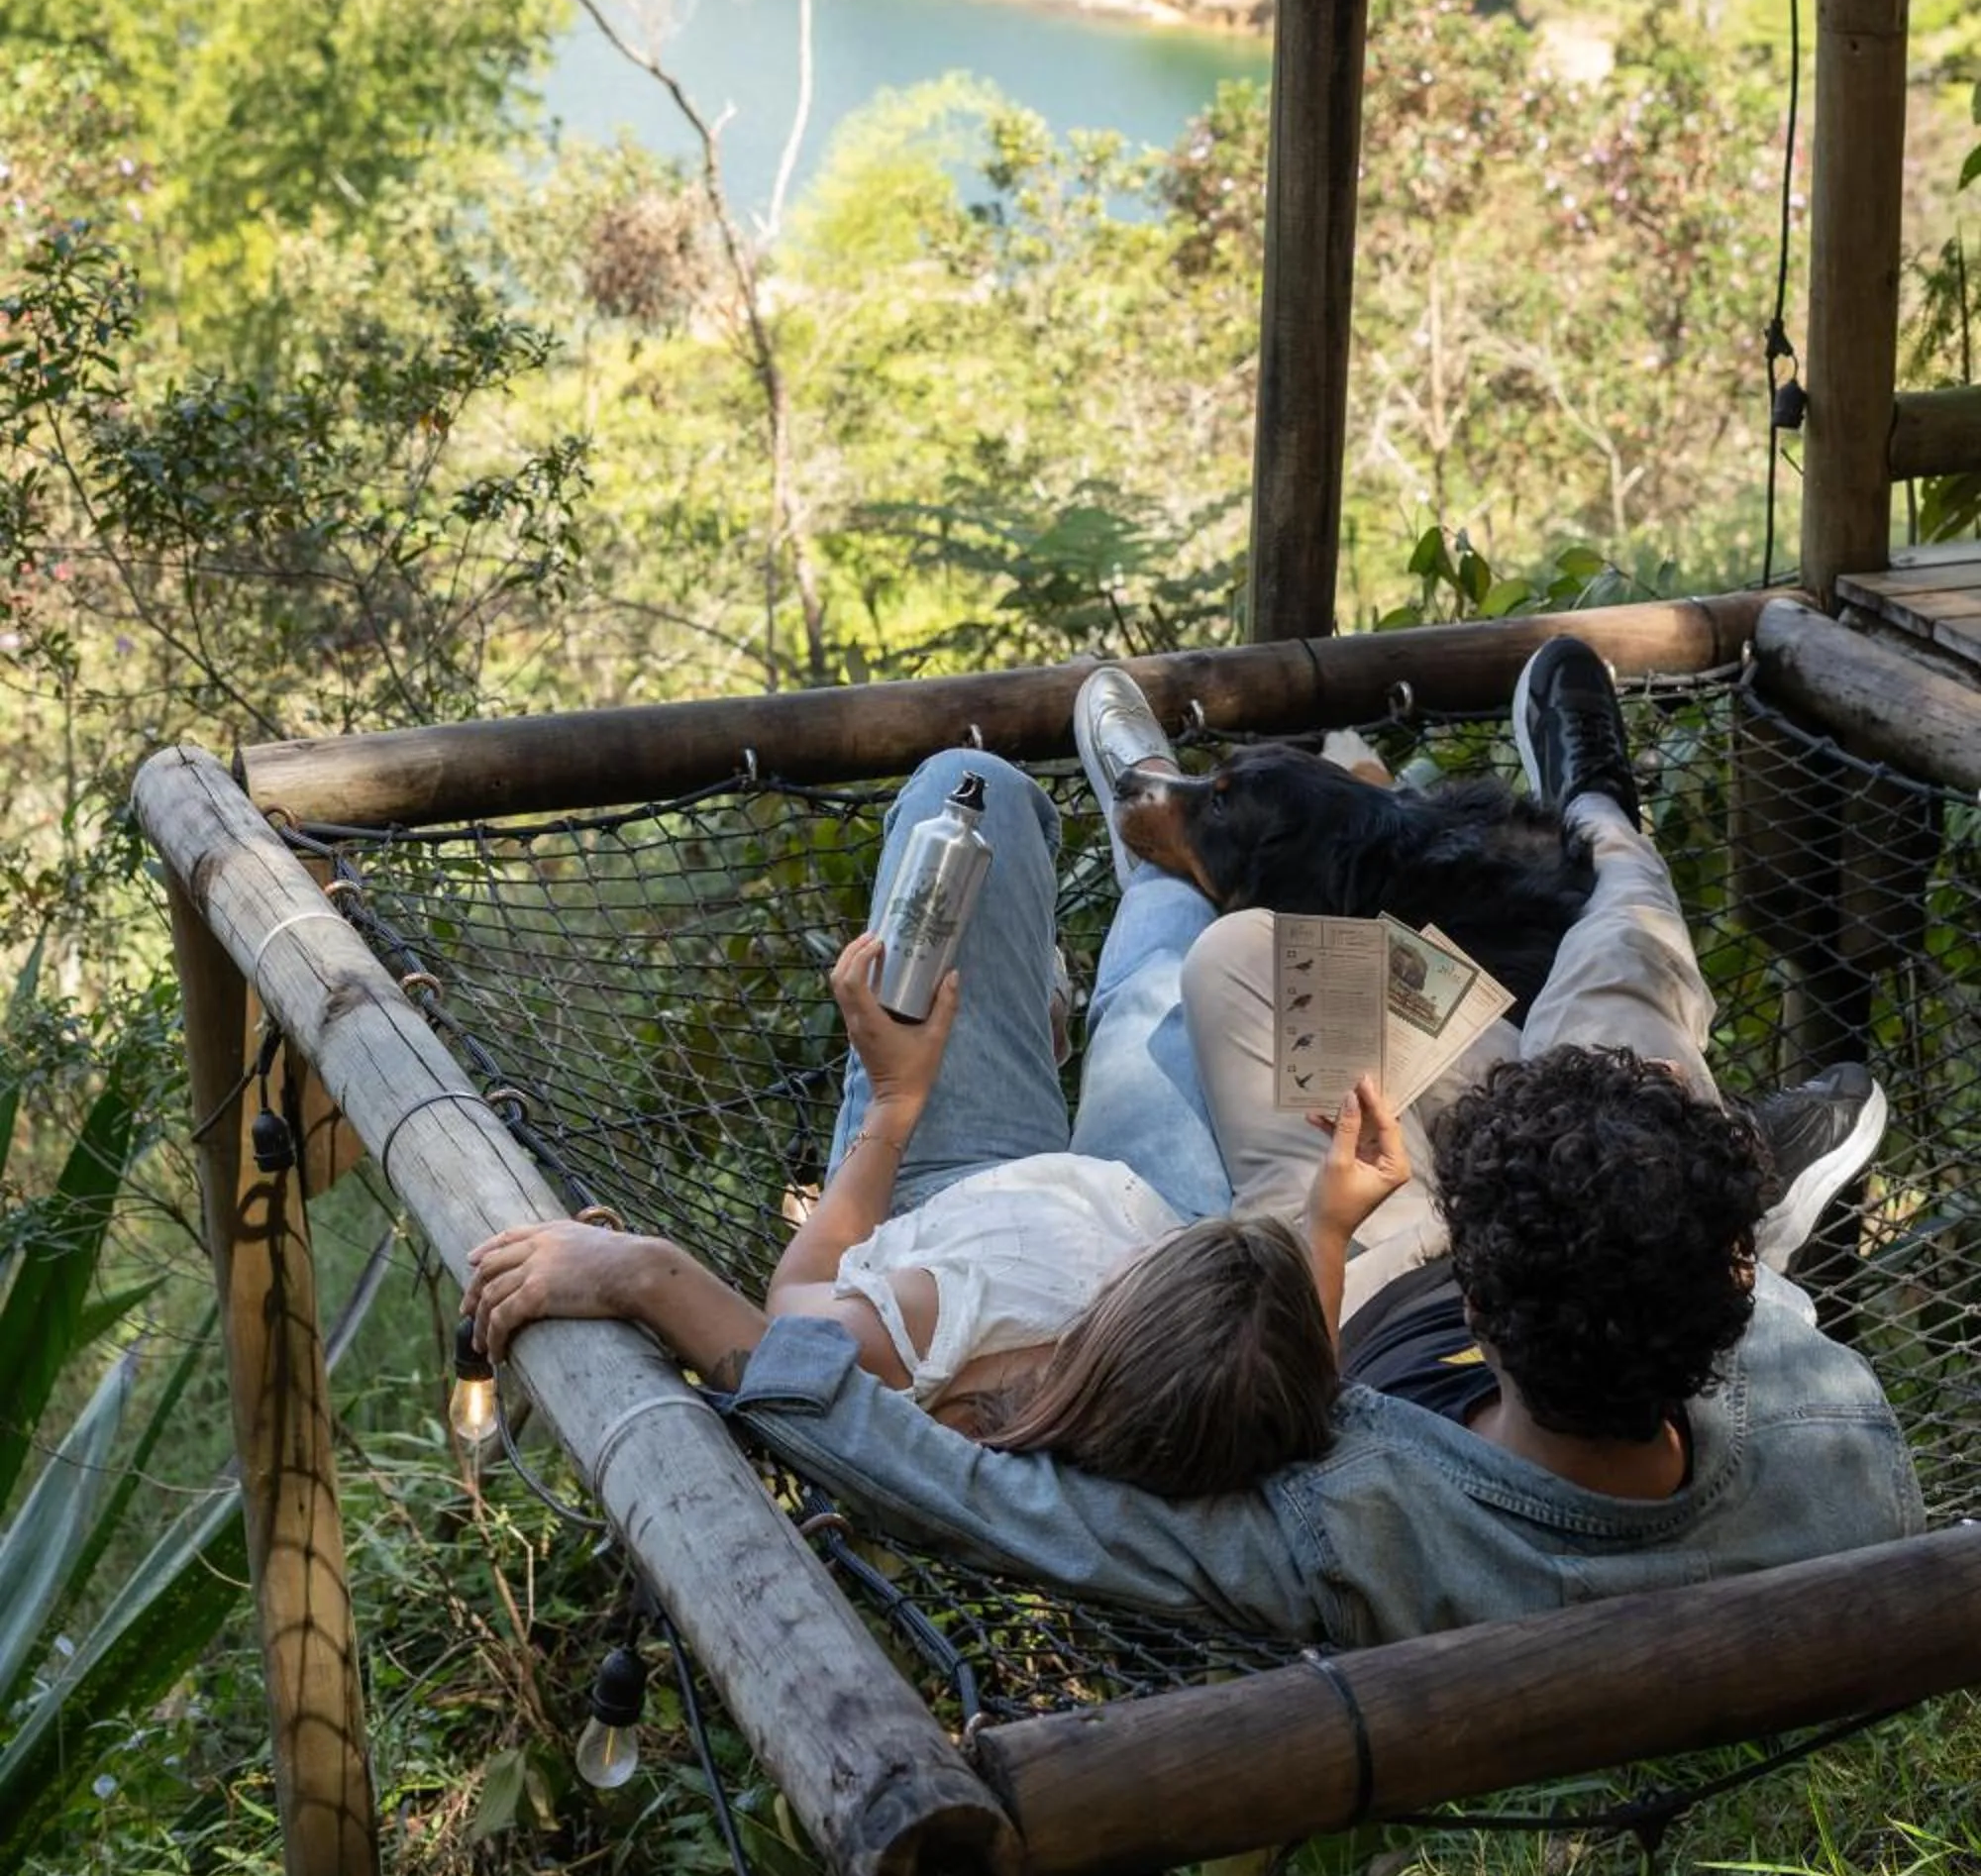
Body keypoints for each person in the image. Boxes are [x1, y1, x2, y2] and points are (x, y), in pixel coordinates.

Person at [717, 640, 1924, 1643]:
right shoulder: (1833, 1446)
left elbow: (1005, 1505)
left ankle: (1177, 847)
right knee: (1609, 982)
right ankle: (1598, 817)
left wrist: (1328, 1230)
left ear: (1478, 1299)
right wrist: (1680, 1197)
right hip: (1509, 1231)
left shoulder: (1350, 1525)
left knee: (1207, 963)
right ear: (1731, 1277)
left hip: (1350, 1271)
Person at [464, 748, 1408, 1500]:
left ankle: (1078, 942)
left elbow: (789, 1313)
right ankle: (1147, 874)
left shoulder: (930, 1329)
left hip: (963, 1196)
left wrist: (895, 1100)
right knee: (1166, 973)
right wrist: (1325, 1226)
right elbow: (1301, 1376)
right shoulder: (1218, 1361)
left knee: (968, 787)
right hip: (1167, 1227)